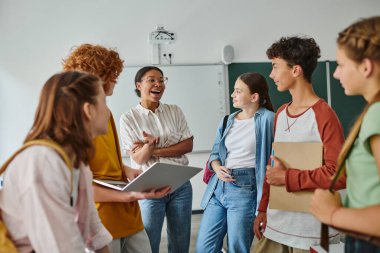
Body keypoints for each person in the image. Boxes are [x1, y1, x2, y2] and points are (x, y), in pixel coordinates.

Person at [62, 44, 170, 253]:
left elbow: (108, 158)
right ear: (97, 77)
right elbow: (78, 185)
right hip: (100, 218)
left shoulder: (106, 112)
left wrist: (128, 172)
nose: (116, 80)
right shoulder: (73, 118)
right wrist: (129, 195)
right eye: (112, 74)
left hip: (128, 215)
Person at [0, 71, 112, 252]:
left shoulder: (77, 162)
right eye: (104, 102)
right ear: (88, 110)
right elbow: (62, 249)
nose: (108, 111)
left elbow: (94, 230)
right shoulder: (43, 163)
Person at [253, 36, 346, 252]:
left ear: (296, 70)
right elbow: (273, 166)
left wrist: (287, 177)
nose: (271, 74)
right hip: (277, 225)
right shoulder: (280, 114)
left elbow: (339, 175)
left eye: (275, 67)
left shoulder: (324, 115)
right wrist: (263, 208)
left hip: (311, 232)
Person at [310, 16, 380, 253]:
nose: (335, 74)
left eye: (341, 65)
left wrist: (332, 213)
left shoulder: (377, 114)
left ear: (366, 67)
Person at [195, 72, 274, 253]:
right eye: (233, 91)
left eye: (238, 91)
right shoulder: (227, 120)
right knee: (203, 248)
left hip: (245, 189)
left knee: (237, 248)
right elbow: (215, 154)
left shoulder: (269, 119)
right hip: (219, 187)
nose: (233, 95)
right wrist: (216, 167)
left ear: (254, 97)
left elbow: (277, 157)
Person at [119, 66, 194, 253]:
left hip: (180, 184)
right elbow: (138, 157)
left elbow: (188, 145)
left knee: (180, 241)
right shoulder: (128, 118)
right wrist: (148, 149)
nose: (158, 84)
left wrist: (153, 149)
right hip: (149, 187)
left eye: (161, 80)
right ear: (139, 85)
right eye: (151, 80)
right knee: (148, 241)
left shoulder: (175, 111)